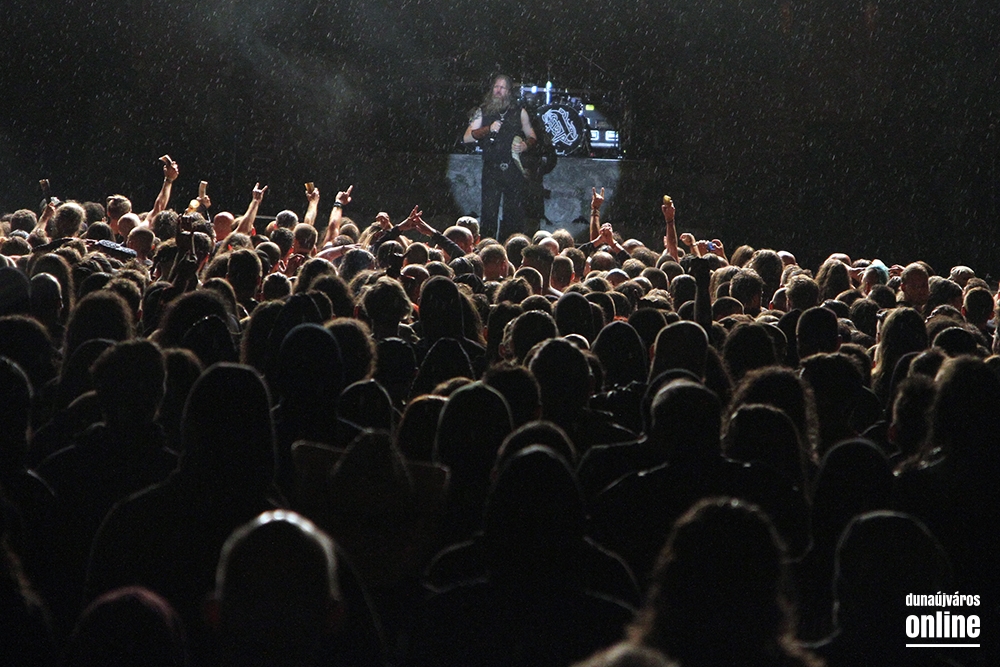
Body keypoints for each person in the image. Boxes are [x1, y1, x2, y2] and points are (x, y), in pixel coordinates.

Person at [463, 74, 537, 241]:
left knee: (513, 213)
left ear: (509, 91)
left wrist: (526, 145)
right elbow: (467, 137)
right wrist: (488, 129)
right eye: (496, 86)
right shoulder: (482, 111)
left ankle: (511, 246)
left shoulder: (519, 112)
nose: (498, 90)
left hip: (513, 169)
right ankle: (487, 247)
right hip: (492, 168)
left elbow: (532, 136)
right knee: (489, 213)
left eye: (502, 87)